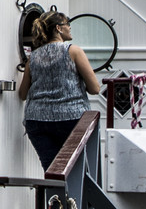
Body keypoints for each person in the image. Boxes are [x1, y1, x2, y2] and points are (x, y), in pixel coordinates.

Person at [16, 10, 103, 170]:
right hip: (71, 119)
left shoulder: (33, 58)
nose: (70, 27)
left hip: (37, 121)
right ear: (58, 28)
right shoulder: (73, 51)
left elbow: (22, 94)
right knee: (78, 171)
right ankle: (76, 196)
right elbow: (95, 89)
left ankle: (52, 195)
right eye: (67, 24)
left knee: (52, 172)